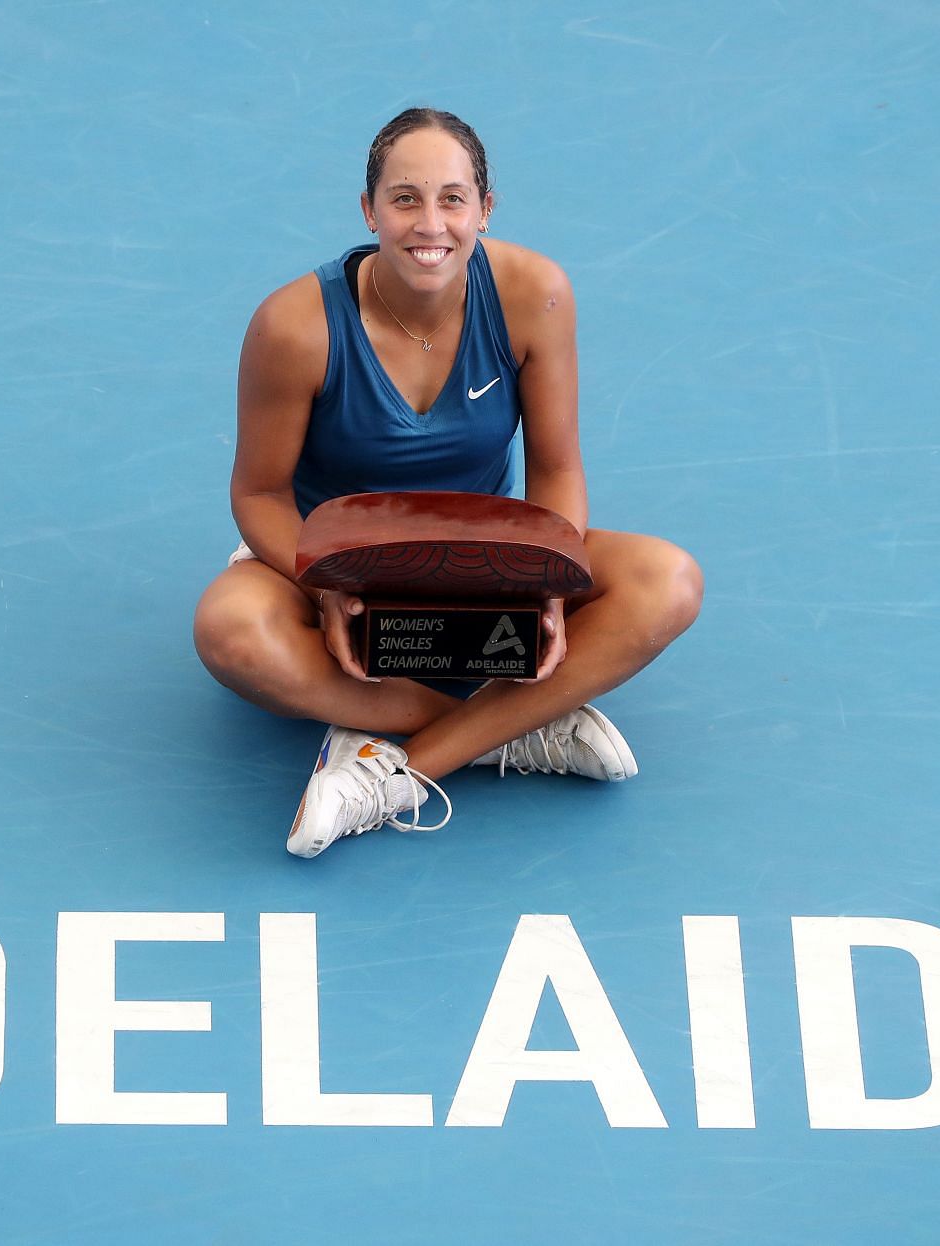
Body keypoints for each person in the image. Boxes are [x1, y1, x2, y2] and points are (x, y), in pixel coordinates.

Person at [194, 107, 703, 858]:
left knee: (670, 582)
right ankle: (522, 721)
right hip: (332, 568)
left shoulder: (537, 294)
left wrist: (544, 587)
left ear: (485, 210)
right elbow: (260, 497)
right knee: (229, 632)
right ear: (369, 211)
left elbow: (557, 469)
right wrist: (331, 586)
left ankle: (399, 769)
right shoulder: (293, 326)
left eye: (452, 198)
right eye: (404, 199)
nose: (430, 224)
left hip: (481, 568)